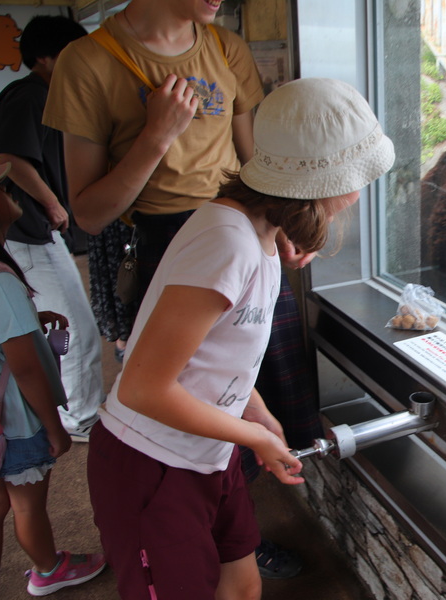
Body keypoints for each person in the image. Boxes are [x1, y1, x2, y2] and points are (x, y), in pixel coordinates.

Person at [43, 1, 324, 576]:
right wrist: (156, 135)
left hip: (248, 223)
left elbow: (255, 164)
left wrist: (289, 221)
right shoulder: (88, 62)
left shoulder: (225, 49)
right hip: (167, 240)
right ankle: (186, 535)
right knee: (180, 392)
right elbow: (89, 213)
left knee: (254, 388)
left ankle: (231, 532)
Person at [85, 78, 394, 600]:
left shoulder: (258, 232)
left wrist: (256, 415)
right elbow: (143, 388)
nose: (359, 193)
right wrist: (253, 437)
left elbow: (215, 353)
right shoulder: (228, 244)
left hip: (208, 448)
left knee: (243, 584)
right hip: (150, 461)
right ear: (316, 183)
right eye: (355, 177)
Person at [0, 162, 107, 598]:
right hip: (17, 425)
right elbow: (25, 367)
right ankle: (47, 569)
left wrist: (30, 318)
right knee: (25, 504)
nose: (9, 191)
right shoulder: (1, 281)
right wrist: (56, 427)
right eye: (1, 187)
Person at [0, 15, 103, 441]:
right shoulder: (31, 95)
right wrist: (53, 204)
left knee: (63, 323)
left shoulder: (41, 95)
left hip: (35, 233)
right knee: (76, 329)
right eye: (72, 54)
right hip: (31, 234)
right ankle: (82, 419)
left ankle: (74, 412)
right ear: (45, 57)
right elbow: (11, 157)